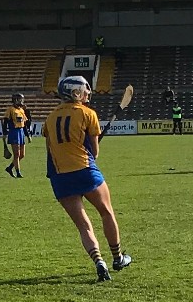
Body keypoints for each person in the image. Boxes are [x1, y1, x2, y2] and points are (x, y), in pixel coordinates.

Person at [43, 76, 132, 282]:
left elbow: (51, 146)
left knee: (84, 226)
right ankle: (117, 258)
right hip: (85, 170)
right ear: (75, 93)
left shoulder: (49, 117)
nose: (87, 93)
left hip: (60, 177)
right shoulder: (88, 114)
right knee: (106, 212)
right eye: (84, 90)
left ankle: (99, 261)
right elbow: (95, 152)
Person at [2, 93, 27, 178]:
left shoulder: (22, 110)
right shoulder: (10, 109)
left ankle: (10, 168)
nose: (21, 101)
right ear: (15, 100)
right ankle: (18, 172)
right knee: (16, 154)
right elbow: (5, 121)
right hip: (14, 132)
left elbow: (25, 122)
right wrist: (5, 132)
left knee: (22, 155)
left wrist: (27, 134)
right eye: (20, 99)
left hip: (21, 132)